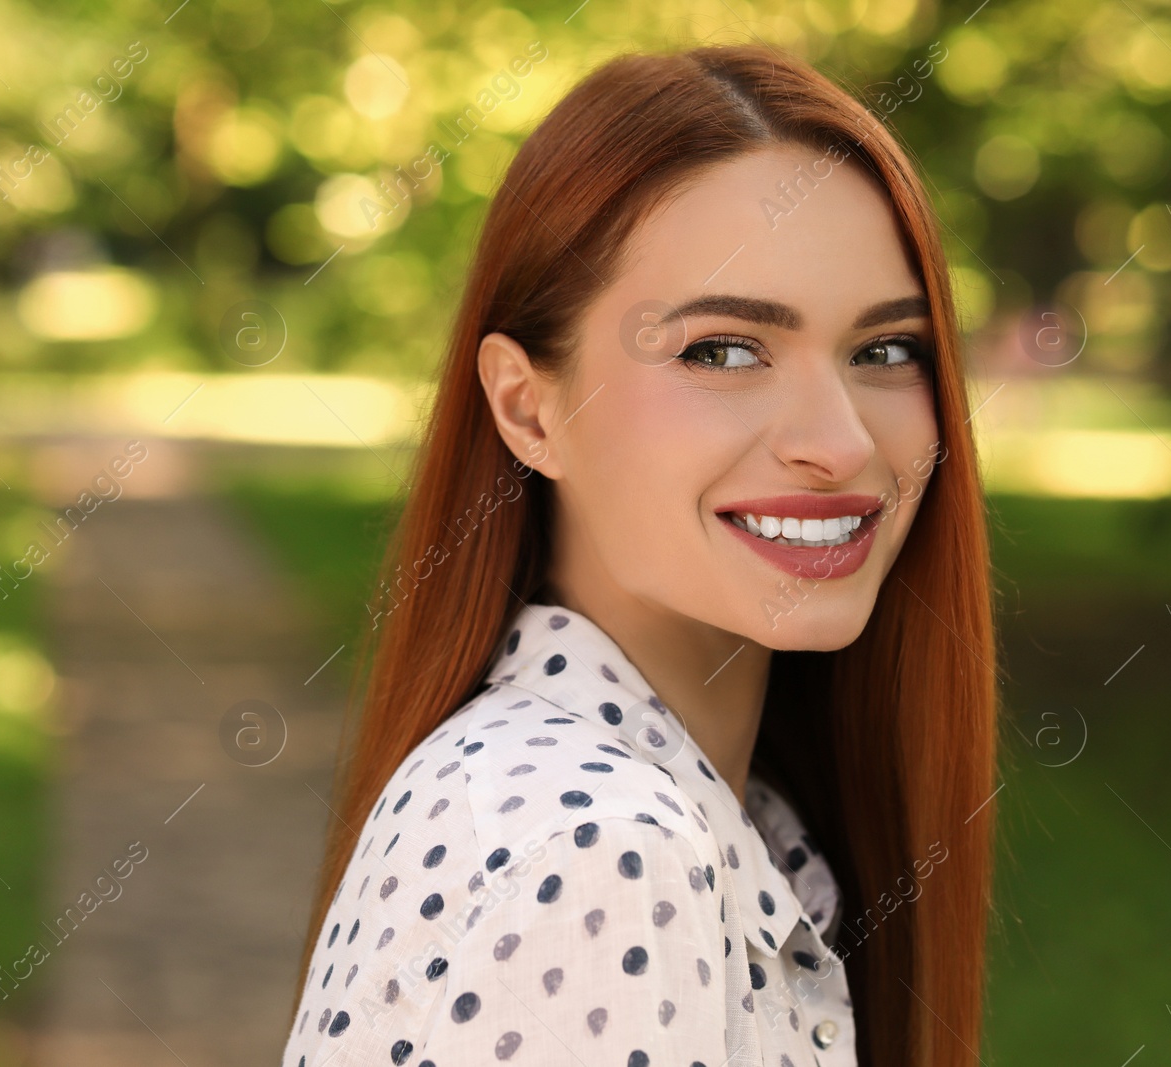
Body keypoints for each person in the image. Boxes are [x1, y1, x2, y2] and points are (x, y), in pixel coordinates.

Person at [283, 42, 998, 1067]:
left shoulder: (709, 819)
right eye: (722, 350)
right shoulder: (597, 849)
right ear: (528, 408)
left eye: (884, 350)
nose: (838, 441)